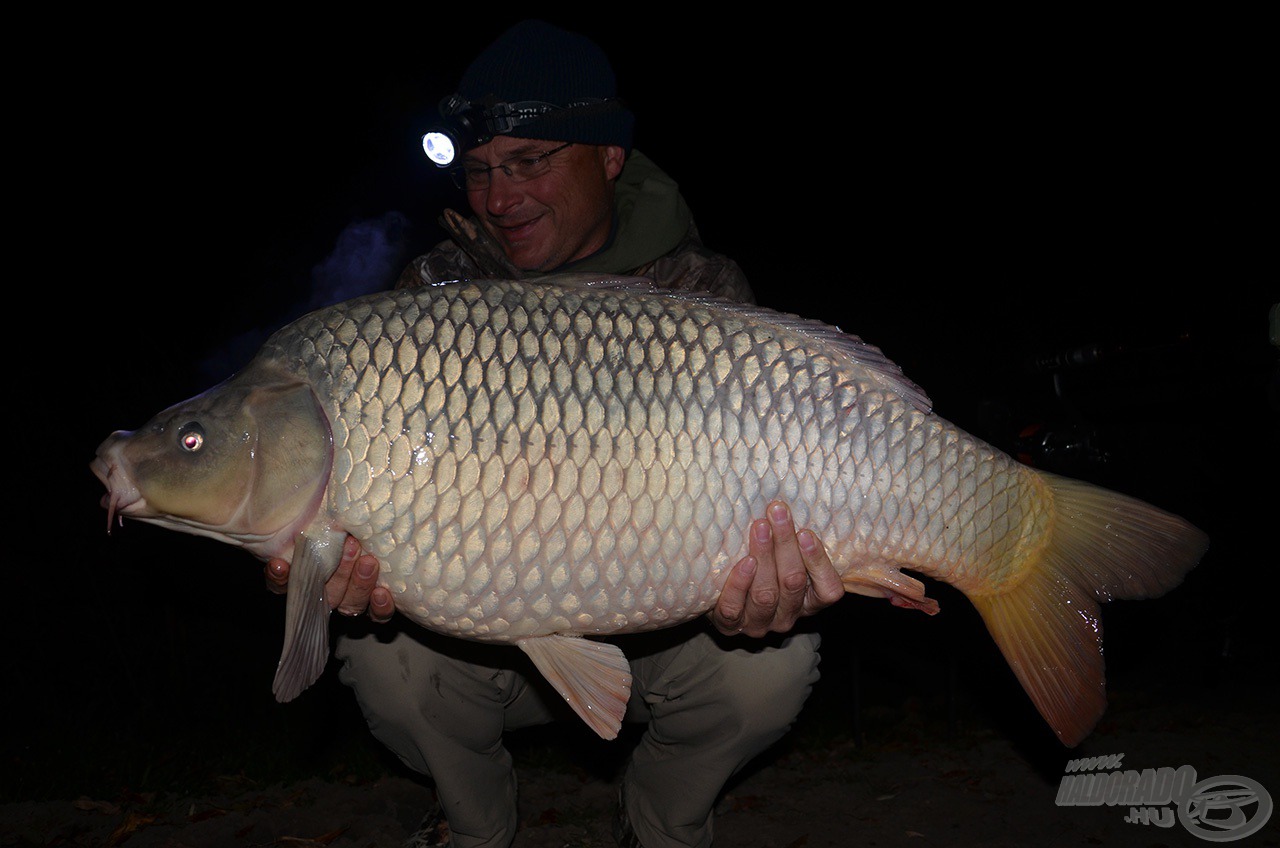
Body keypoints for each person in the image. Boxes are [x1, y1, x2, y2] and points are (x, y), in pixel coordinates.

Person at [266, 20, 844, 848]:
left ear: (609, 156)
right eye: (480, 172)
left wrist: (758, 592)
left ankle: (660, 823)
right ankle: (473, 828)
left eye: (530, 161)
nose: (500, 199)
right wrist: (313, 571)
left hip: (662, 632)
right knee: (385, 665)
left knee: (772, 669)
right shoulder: (435, 295)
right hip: (493, 644)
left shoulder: (698, 290)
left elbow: (750, 525)